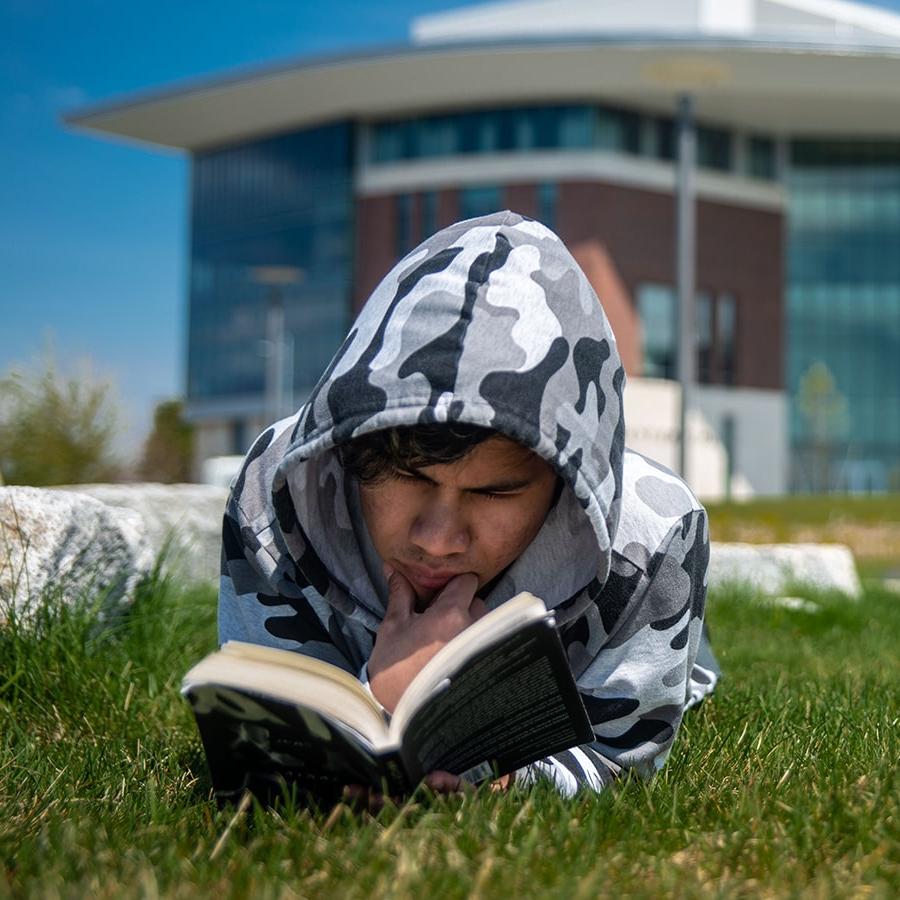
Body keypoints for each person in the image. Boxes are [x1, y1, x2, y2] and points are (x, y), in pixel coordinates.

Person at [219, 210, 719, 796]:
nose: (437, 538)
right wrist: (382, 698)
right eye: (405, 477)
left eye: (493, 491)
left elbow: (620, 760)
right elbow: (267, 747)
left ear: (562, 482)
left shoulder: (655, 537)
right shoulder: (275, 493)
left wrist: (499, 770)